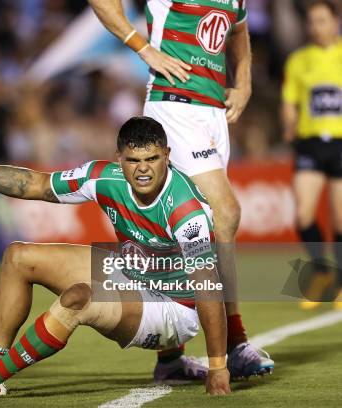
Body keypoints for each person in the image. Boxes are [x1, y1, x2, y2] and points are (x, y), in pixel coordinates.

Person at [0, 116, 232, 402]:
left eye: (152, 159)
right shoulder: (103, 177)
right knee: (19, 257)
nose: (143, 170)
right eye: (134, 160)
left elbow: (207, 288)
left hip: (173, 309)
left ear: (166, 155)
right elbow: (38, 184)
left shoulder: (185, 210)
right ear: (119, 159)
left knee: (79, 299)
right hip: (131, 273)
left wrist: (218, 367)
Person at [86, 0, 273, 379]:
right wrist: (144, 47)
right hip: (174, 105)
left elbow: (238, 28)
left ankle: (170, 357)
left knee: (186, 224)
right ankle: (234, 344)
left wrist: (244, 79)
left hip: (213, 111)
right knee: (226, 213)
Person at [281, 0, 342, 309]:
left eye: (322, 20)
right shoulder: (299, 60)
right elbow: (290, 99)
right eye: (312, 21)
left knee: (340, 217)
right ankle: (322, 274)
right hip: (311, 143)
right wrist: (289, 122)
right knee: (304, 213)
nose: (316, 26)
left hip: (341, 144)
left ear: (335, 22)